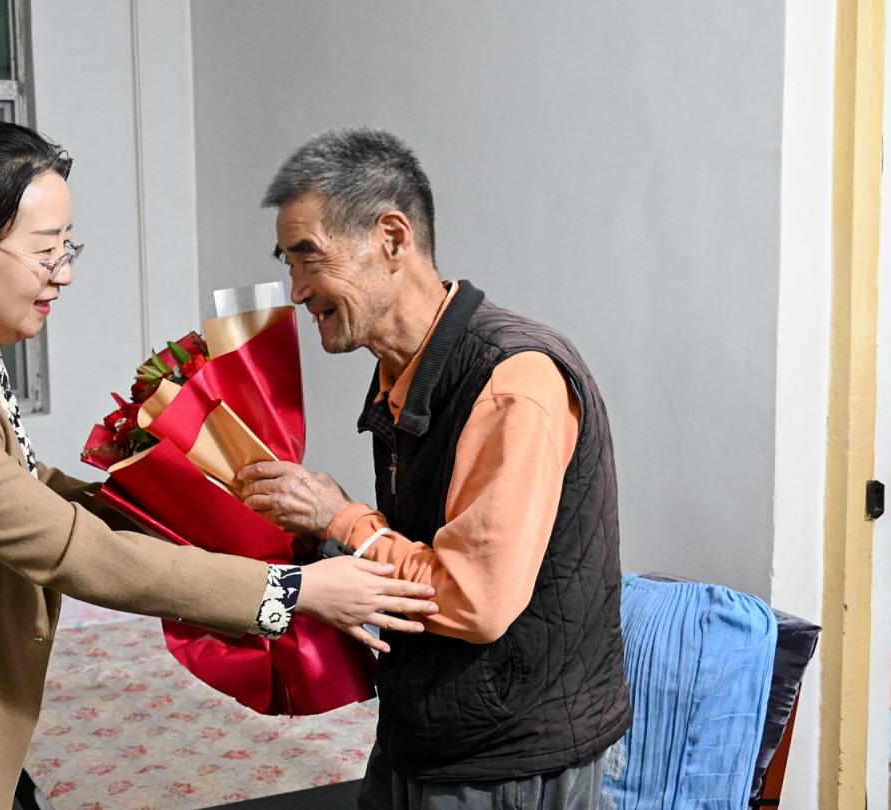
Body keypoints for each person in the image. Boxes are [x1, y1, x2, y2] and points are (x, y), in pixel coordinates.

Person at [0, 121, 440, 810]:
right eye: (45, 252)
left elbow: (24, 489)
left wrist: (183, 500)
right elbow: (72, 551)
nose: (64, 273)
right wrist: (294, 591)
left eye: (67, 248)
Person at [238, 127, 631, 809]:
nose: (296, 292)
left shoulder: (513, 379)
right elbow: (420, 545)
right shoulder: (401, 371)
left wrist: (343, 519)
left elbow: (474, 600)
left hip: (505, 760)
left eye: (309, 258)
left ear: (392, 239)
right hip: (426, 731)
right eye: (288, 263)